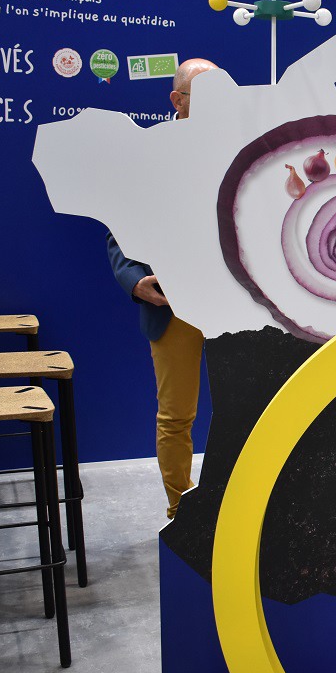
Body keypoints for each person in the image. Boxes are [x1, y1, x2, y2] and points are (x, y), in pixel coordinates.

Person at [107, 58, 217, 518]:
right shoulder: (146, 156)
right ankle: (182, 515)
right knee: (177, 416)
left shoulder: (241, 147)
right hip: (173, 306)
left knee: (249, 411)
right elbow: (118, 229)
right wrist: (134, 281)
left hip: (235, 304)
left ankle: (238, 511)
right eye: (207, 95)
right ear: (177, 100)